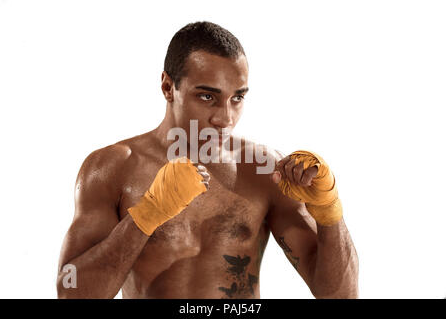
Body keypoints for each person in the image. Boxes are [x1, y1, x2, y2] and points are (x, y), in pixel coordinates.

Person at [56, 21, 358, 299]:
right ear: (167, 87)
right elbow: (70, 291)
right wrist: (145, 216)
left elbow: (340, 295)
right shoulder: (113, 168)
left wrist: (329, 211)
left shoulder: (264, 170)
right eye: (207, 97)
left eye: (237, 98)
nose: (225, 117)